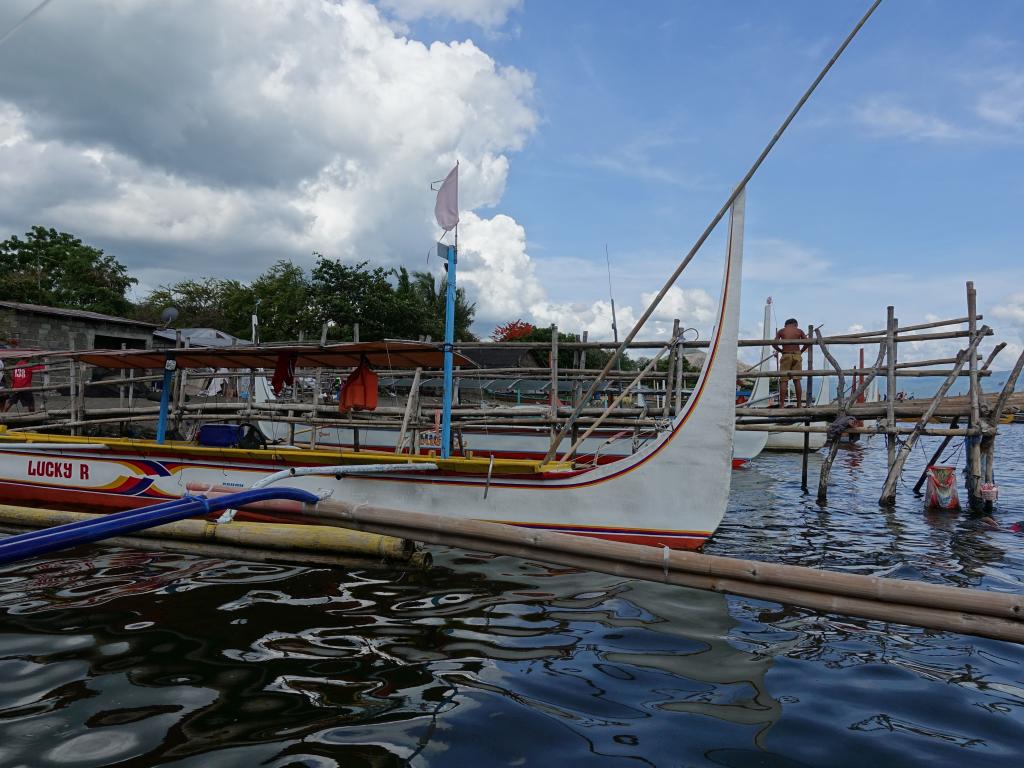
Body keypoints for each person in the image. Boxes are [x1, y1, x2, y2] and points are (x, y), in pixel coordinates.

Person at [772, 318, 809, 405]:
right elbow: (807, 342)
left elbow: (774, 343)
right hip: (797, 355)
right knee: (797, 380)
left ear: (786, 325)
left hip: (786, 355)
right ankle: (799, 405)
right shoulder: (799, 331)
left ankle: (781, 405)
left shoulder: (781, 331)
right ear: (795, 324)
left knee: (784, 380)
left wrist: (781, 350)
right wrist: (801, 351)